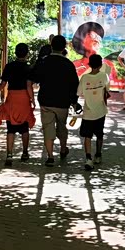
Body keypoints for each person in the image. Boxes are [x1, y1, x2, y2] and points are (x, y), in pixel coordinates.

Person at [31, 33, 80, 166]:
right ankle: (63, 149)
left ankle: (50, 156)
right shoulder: (68, 64)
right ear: (64, 47)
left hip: (46, 100)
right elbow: (75, 84)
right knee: (62, 126)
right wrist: (74, 101)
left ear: (51, 46)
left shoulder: (44, 62)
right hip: (63, 102)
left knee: (48, 128)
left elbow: (34, 77)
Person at [0, 43, 35, 166]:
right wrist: (33, 100)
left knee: (11, 128)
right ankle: (25, 153)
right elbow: (29, 86)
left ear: (15, 53)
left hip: (12, 98)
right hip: (24, 99)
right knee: (24, 128)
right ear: (27, 54)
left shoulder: (9, 66)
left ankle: (9, 154)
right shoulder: (29, 68)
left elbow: (3, 84)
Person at [78, 53, 110, 170]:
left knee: (87, 136)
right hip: (101, 110)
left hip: (88, 112)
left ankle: (88, 159)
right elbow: (107, 90)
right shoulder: (104, 76)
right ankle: (98, 155)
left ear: (89, 64)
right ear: (101, 65)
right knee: (99, 134)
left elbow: (79, 93)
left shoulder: (84, 78)